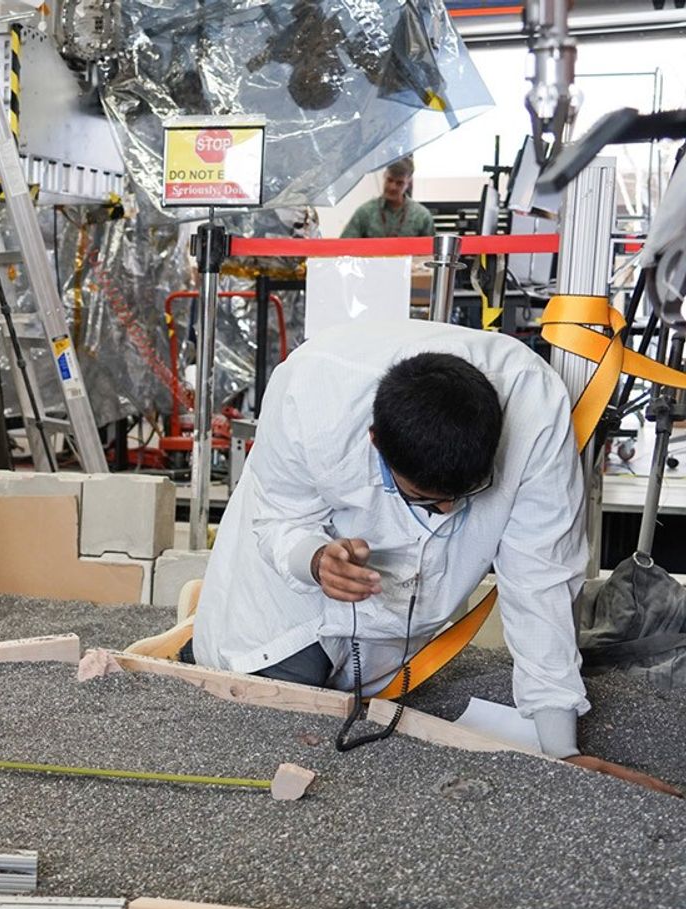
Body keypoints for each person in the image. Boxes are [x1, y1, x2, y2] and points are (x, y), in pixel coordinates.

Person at [192, 319, 679, 795]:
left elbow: (542, 579)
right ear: (376, 443)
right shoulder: (310, 395)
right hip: (285, 604)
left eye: (467, 494)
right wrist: (313, 560)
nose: (446, 513)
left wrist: (559, 748)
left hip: (388, 641)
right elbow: (278, 516)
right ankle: (192, 646)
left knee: (355, 693)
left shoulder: (534, 413)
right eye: (426, 499)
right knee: (278, 697)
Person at [339, 156, 435, 240]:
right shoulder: (365, 213)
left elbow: (430, 254)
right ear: (384, 176)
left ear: (408, 183)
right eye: (389, 180)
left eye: (399, 183)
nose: (392, 187)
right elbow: (344, 247)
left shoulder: (422, 216)